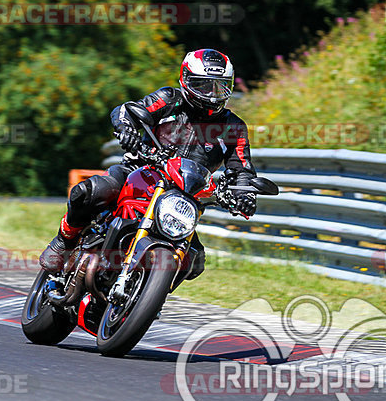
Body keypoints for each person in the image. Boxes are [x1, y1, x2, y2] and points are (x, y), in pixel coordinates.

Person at [39, 49, 258, 279]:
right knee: (92, 191)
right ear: (186, 78)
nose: (211, 95)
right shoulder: (169, 99)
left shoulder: (234, 127)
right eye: (203, 85)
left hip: (184, 197)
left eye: (219, 86)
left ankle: (146, 295)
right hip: (141, 170)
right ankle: (64, 241)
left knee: (194, 261)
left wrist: (244, 195)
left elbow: (242, 169)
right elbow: (127, 111)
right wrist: (127, 130)